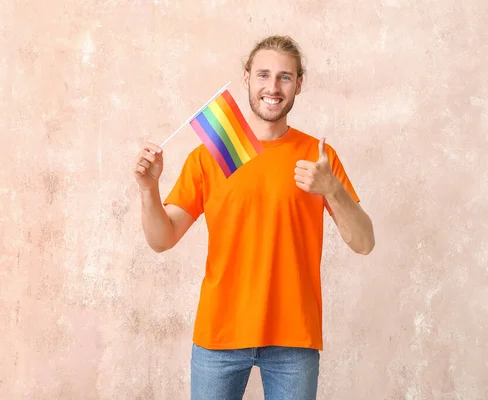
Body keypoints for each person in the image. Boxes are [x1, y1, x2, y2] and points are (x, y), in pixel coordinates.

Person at [133, 35, 375, 400]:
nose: (272, 87)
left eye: (284, 77)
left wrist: (332, 189)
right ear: (247, 78)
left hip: (294, 339)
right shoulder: (211, 155)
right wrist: (148, 189)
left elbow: (364, 243)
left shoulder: (318, 157)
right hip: (219, 335)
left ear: (299, 84)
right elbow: (161, 239)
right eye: (263, 75)